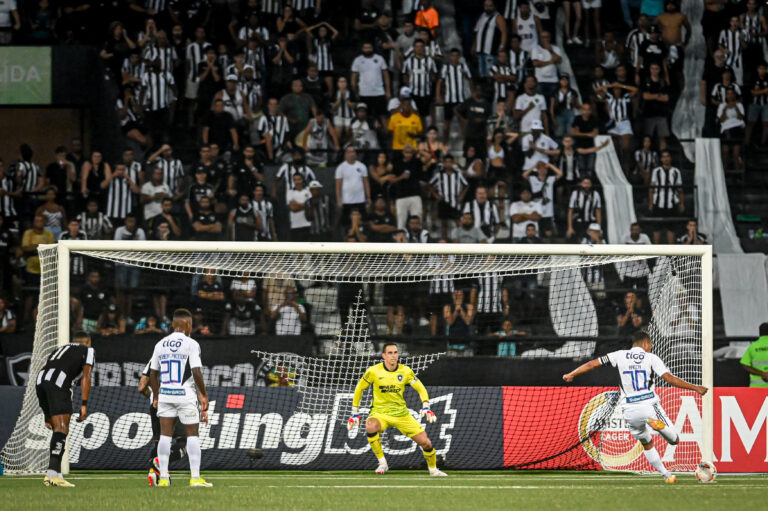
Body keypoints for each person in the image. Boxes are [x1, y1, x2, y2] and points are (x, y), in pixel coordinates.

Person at [562, 330, 708, 483]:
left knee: (646, 442)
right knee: (674, 440)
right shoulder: (651, 357)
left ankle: (667, 475)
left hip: (629, 409)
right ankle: (658, 426)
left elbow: (593, 364)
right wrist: (696, 388)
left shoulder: (619, 355)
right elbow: (670, 379)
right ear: (645, 344)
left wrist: (572, 374)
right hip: (648, 405)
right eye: (650, 345)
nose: (651, 348)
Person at [348, 342, 446, 477]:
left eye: (395, 352)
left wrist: (426, 406)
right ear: (384, 356)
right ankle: (382, 463)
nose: (393, 356)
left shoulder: (405, 371)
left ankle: (433, 470)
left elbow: (420, 388)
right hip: (380, 413)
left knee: (426, 443)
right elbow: (359, 388)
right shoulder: (373, 371)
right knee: (370, 425)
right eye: (390, 353)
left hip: (402, 414)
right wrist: (354, 413)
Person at [149, 308, 211, 488]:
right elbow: (196, 371)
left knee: (164, 437)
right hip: (185, 394)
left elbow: (153, 373)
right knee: (192, 435)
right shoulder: (191, 343)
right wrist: (204, 395)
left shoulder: (160, 344)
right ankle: (195, 478)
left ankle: (163, 478)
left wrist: (157, 395)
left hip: (166, 394)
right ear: (187, 325)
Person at [36, 330, 94, 487]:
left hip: (40, 381)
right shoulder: (88, 350)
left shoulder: (60, 348)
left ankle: (57, 473)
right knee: (62, 428)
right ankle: (52, 474)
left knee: (57, 428)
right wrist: (84, 403)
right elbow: (86, 376)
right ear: (87, 341)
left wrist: (47, 415)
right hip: (58, 382)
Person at [649, 150, 683, 244]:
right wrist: (651, 203)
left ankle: (670, 254)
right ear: (661, 159)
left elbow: (680, 189)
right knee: (657, 229)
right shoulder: (656, 171)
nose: (666, 158)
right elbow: (651, 188)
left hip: (672, 204)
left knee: (671, 229)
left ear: (670, 158)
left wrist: (682, 203)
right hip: (658, 204)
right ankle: (656, 255)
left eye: (667, 156)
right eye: (663, 157)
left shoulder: (676, 171)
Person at [335, 145, 371, 227]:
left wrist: (368, 196)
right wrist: (339, 200)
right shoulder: (341, 168)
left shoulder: (362, 166)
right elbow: (338, 185)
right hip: (347, 201)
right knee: (347, 223)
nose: (351, 154)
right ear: (345, 154)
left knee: (362, 222)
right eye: (349, 152)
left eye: (353, 151)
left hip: (360, 200)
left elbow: (366, 182)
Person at [740, 322, 768, 387]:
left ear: (760, 333)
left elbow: (745, 365)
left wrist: (762, 374)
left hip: (756, 388)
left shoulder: (752, 346)